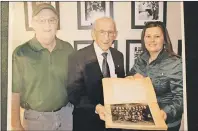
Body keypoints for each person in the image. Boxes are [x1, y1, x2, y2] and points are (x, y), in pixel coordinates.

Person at [11, 3, 74, 131]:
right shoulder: (21, 53)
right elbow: (14, 92)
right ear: (33, 24)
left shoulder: (67, 49)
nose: (47, 25)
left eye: (51, 20)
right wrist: (16, 125)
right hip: (36, 120)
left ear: (57, 23)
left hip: (66, 115)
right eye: (41, 20)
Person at [67, 17, 125, 131]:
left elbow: (120, 86)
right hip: (87, 122)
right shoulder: (77, 57)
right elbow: (73, 93)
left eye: (110, 32)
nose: (107, 37)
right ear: (93, 34)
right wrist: (97, 108)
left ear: (115, 34)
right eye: (102, 32)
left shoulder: (119, 56)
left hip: (114, 123)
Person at [127, 21, 183, 131]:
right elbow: (131, 75)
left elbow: (181, 97)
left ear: (164, 39)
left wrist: (164, 113)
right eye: (148, 36)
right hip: (143, 118)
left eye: (157, 36)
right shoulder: (142, 58)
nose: (152, 40)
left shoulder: (175, 63)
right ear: (144, 39)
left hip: (165, 123)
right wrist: (131, 78)